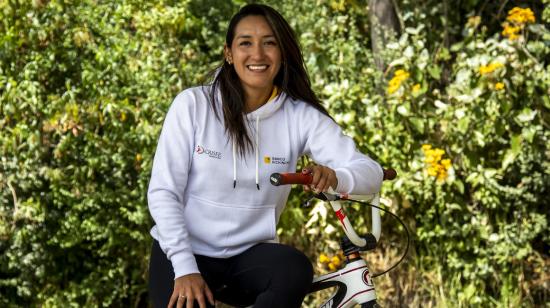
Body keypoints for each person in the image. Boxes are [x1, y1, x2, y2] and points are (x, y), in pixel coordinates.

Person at [147, 3, 383, 308]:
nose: (257, 54)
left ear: (282, 53)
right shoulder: (193, 105)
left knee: (293, 268)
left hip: (248, 259)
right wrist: (185, 267)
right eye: (246, 43)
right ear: (229, 53)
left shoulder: (299, 116)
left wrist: (338, 176)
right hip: (185, 253)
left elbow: (369, 171)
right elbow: (164, 192)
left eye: (269, 43)